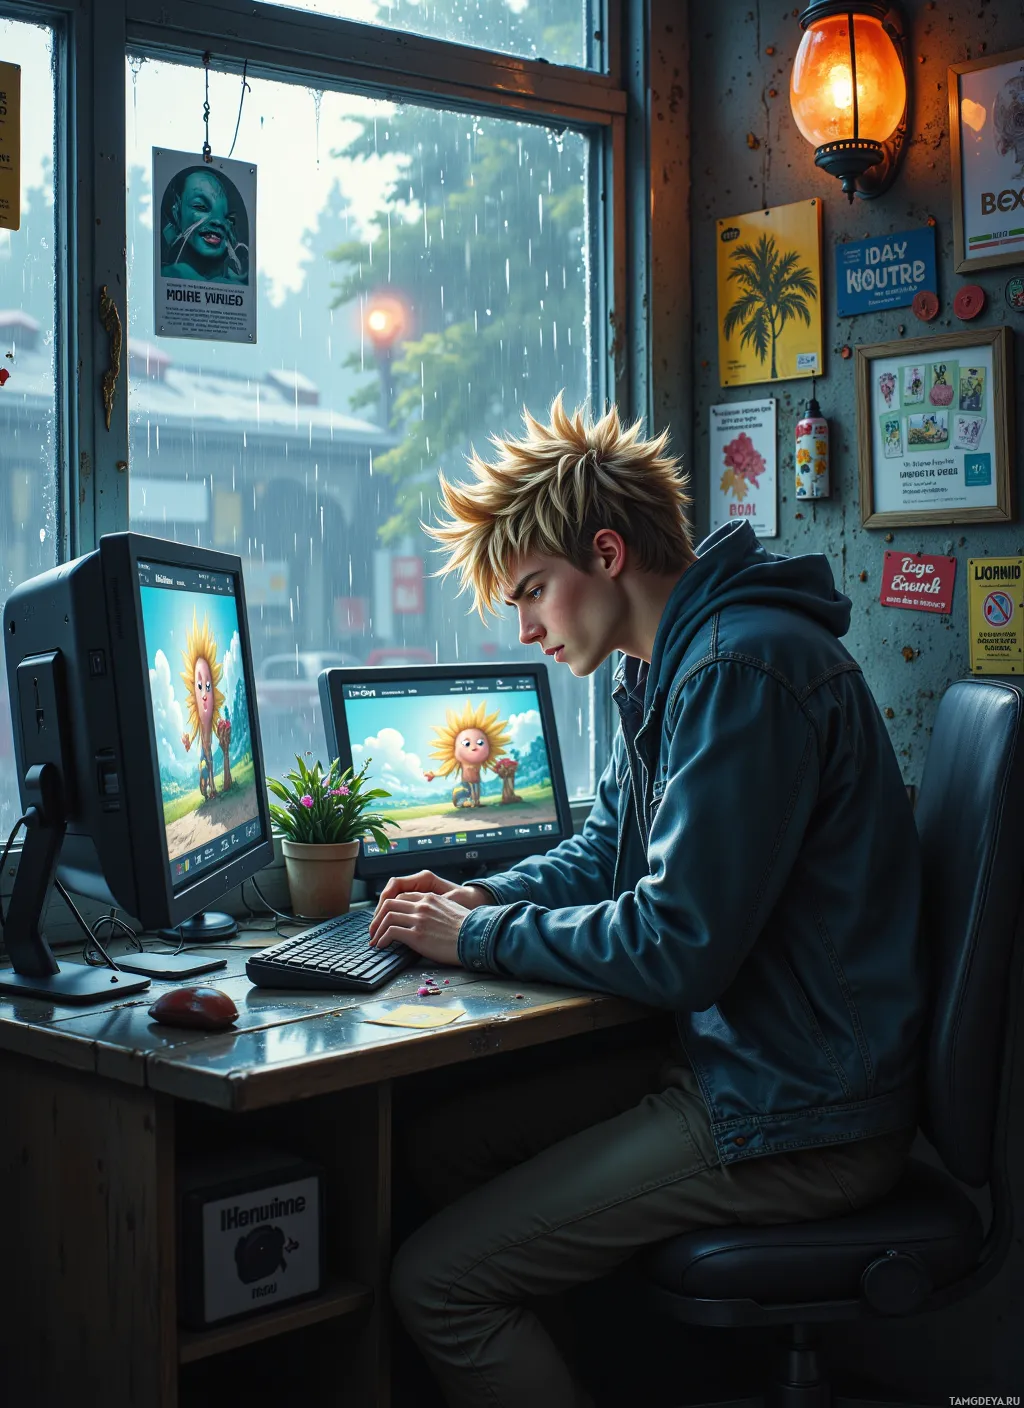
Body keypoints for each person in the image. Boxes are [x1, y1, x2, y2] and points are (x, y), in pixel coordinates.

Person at [367, 394, 926, 1408]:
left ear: (608, 553)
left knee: (437, 1284)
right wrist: (478, 893)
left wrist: (479, 937)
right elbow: (606, 853)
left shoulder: (738, 668)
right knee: (442, 1146)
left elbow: (677, 944)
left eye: (534, 591)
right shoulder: (670, 665)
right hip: (746, 1064)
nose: (527, 629)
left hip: (800, 1112)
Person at [161, 167, 248, 283]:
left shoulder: (236, 284)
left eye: (227, 217)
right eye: (201, 207)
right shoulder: (168, 274)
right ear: (176, 212)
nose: (218, 221)